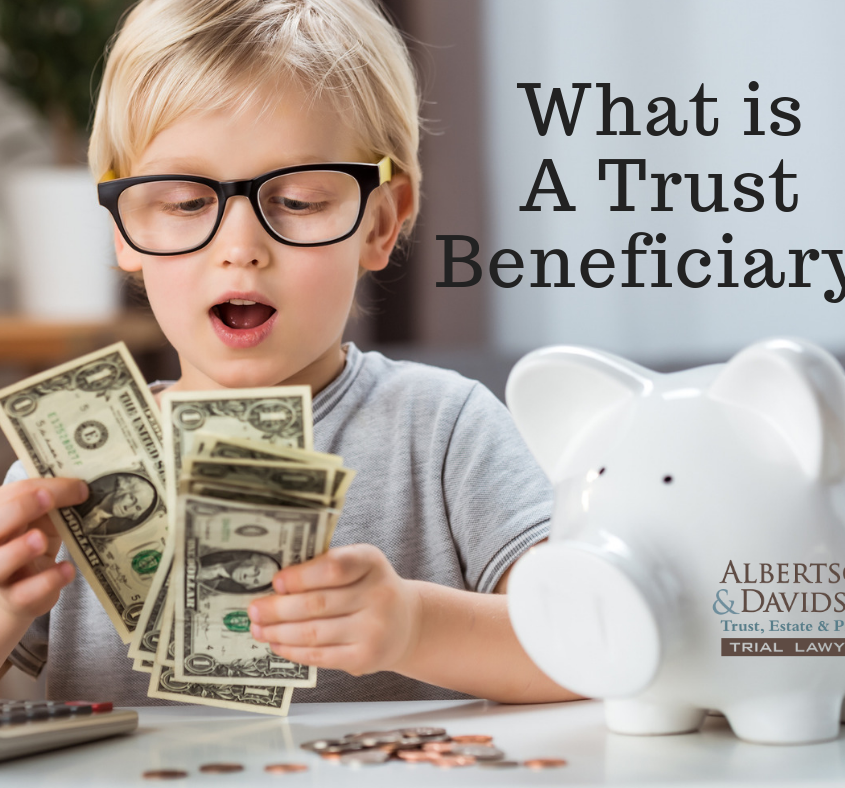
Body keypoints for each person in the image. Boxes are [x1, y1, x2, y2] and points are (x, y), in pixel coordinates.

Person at [0, 0, 575, 705]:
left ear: (381, 223)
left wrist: (415, 627)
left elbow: (591, 647)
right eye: (184, 203)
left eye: (298, 201)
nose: (239, 247)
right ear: (123, 230)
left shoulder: (447, 429)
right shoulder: (55, 478)